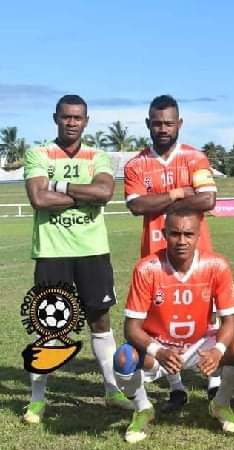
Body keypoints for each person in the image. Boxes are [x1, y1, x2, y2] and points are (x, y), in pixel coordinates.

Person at [22, 94, 133, 424]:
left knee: (100, 321)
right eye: (66, 117)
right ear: (55, 118)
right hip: (52, 252)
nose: (71, 122)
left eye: (77, 117)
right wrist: (85, 196)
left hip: (92, 251)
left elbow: (105, 193)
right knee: (48, 326)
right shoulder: (38, 153)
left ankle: (112, 391)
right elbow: (39, 199)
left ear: (86, 121)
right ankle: (37, 400)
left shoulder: (98, 156)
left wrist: (59, 186)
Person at [112, 209, 234, 443]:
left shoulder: (216, 265)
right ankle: (143, 408)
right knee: (124, 358)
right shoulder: (147, 268)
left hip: (200, 345)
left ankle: (220, 404)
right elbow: (131, 328)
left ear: (198, 235)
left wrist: (217, 351)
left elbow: (230, 320)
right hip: (160, 347)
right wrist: (159, 351)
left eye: (188, 234)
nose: (182, 241)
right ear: (164, 234)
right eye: (175, 234)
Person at [124, 94, 219, 411]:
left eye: (168, 123)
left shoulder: (195, 158)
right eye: (157, 123)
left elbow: (207, 200)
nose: (163, 128)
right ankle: (176, 388)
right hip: (155, 256)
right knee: (162, 322)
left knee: (206, 317)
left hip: (197, 253)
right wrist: (179, 193)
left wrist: (159, 199)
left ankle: (214, 383)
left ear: (179, 124)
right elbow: (137, 205)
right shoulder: (136, 164)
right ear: (148, 124)